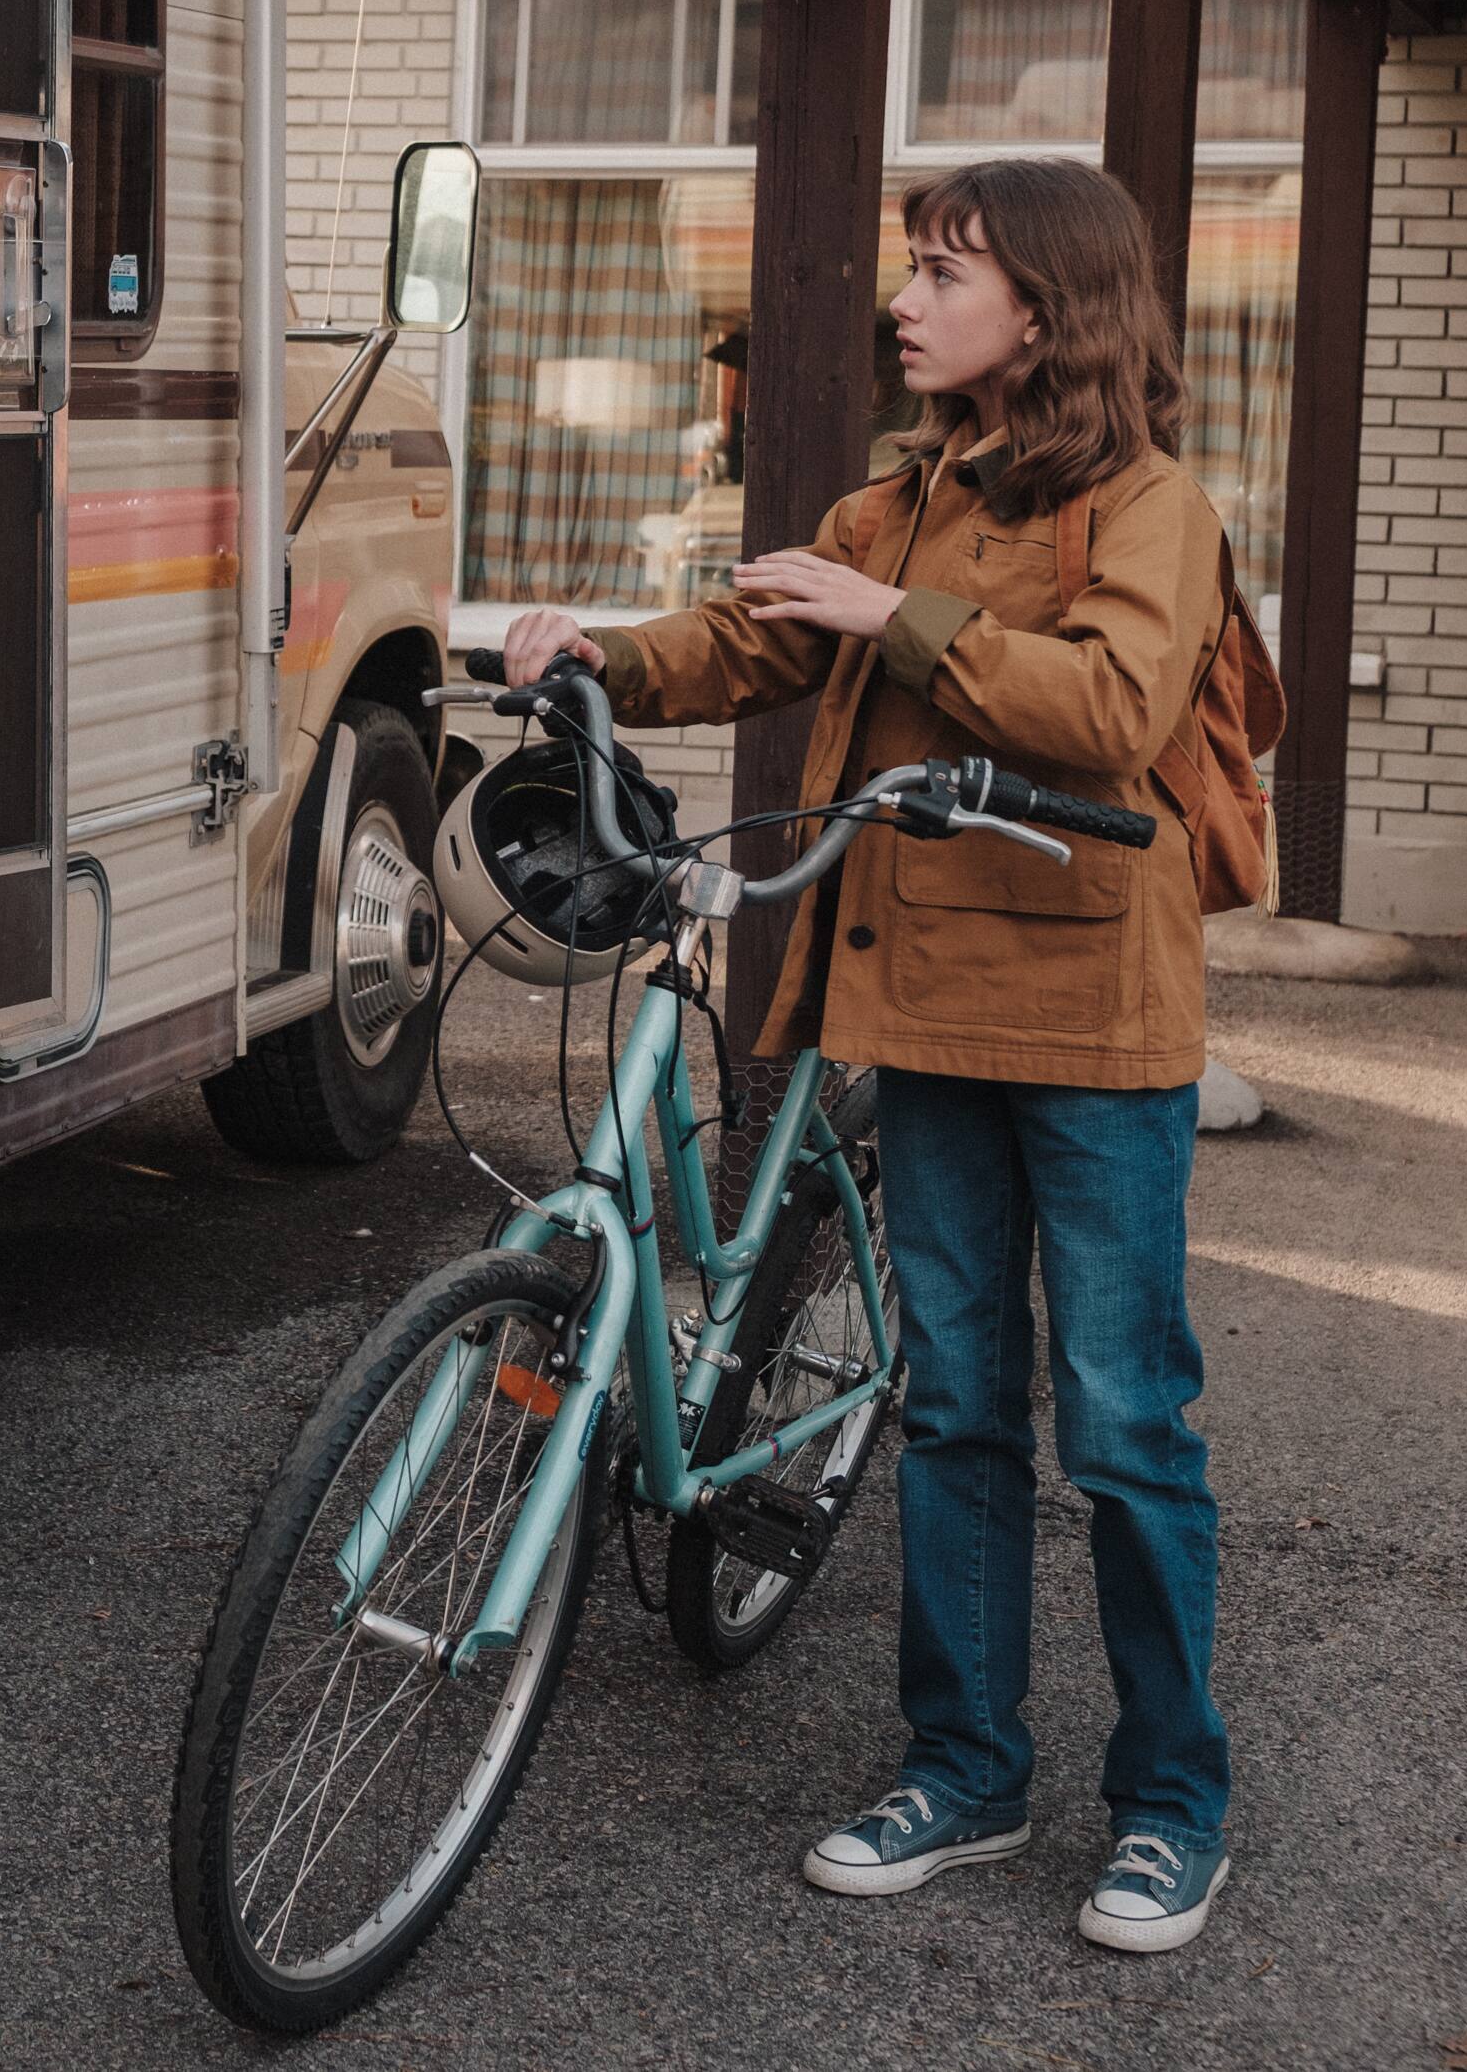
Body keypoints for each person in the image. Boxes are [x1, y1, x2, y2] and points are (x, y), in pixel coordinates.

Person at [501, 157, 1237, 1955]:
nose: (906, 299)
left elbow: (1115, 708)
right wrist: (598, 644)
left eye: (946, 271)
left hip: (1091, 1023)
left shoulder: (1151, 507)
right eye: (909, 263)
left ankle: (1171, 1804)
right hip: (915, 1005)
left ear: (1049, 308)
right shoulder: (895, 500)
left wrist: (890, 622)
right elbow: (753, 632)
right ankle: (967, 1769)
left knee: (1129, 1430)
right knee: (960, 1409)